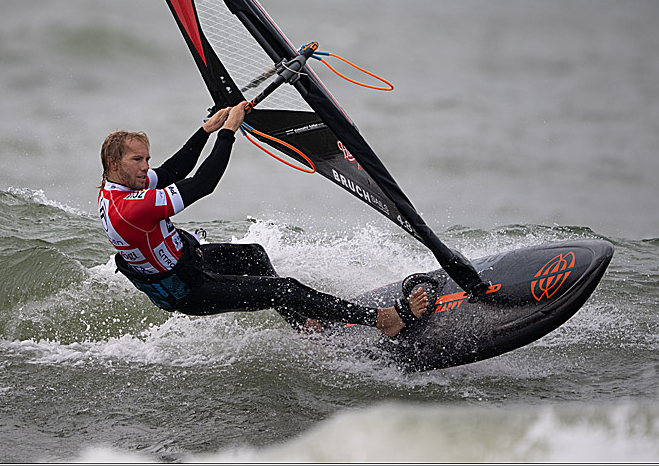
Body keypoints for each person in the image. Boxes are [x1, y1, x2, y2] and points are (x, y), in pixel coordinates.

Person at [98, 101, 429, 337]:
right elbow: (203, 183)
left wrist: (206, 131)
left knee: (253, 255)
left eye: (146, 159)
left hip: (187, 261)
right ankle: (383, 320)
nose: (146, 167)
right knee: (285, 289)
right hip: (190, 290)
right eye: (137, 160)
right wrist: (228, 133)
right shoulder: (129, 208)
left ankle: (305, 326)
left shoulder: (117, 188)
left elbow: (171, 172)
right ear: (115, 164)